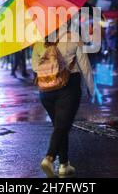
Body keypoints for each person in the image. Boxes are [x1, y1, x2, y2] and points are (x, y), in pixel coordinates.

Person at [32, 27, 94, 178]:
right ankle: (49, 158)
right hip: (69, 87)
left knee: (60, 127)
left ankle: (64, 165)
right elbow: (84, 66)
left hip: (46, 90)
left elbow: (34, 67)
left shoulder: (39, 41)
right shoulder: (73, 37)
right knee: (61, 126)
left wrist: (50, 64)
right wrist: (91, 89)